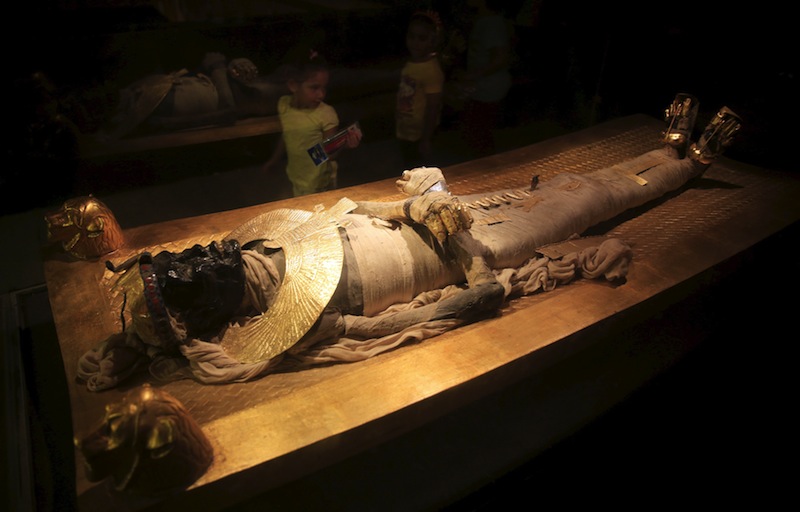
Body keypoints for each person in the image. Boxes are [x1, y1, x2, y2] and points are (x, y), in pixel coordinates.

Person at [77, 95, 741, 390]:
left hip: (435, 217)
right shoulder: (294, 324)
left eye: (193, 254)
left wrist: (415, 200)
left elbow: (352, 206)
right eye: (197, 271)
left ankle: (666, 147)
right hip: (466, 251)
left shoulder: (263, 244)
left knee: (562, 188)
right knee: (586, 205)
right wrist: (473, 296)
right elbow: (399, 323)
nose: (205, 255)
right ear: (210, 312)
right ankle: (686, 163)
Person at [262, 50, 362, 197]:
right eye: (314, 88)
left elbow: (328, 153)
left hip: (319, 184)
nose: (321, 94)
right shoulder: (284, 105)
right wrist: (274, 160)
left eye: (324, 88)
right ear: (293, 85)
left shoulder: (326, 114)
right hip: (296, 178)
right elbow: (287, 134)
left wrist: (345, 144)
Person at [451, 0, 513, 158]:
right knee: (476, 131)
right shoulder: (482, 21)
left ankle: (486, 169)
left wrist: (471, 75)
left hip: (489, 89)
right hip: (481, 87)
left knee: (479, 133)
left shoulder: (492, 23)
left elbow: (500, 58)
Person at [396, 10, 446, 169]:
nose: (415, 42)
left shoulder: (431, 70)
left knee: (421, 171)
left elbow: (433, 107)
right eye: (411, 36)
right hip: (405, 131)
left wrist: (426, 139)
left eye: (422, 38)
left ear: (432, 41)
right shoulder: (411, 63)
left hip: (421, 135)